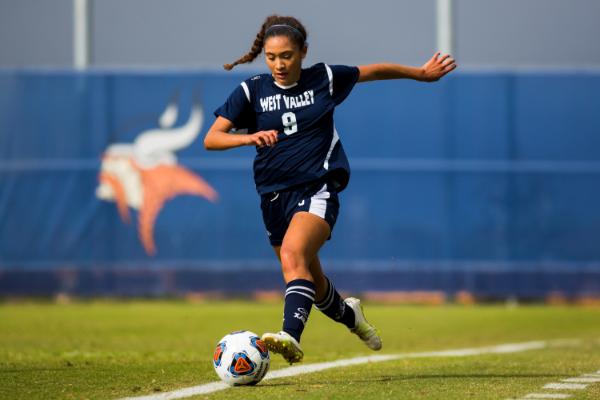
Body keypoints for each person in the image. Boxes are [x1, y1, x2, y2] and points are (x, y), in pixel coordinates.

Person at [205, 15, 456, 364]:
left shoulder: (323, 78)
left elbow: (374, 71)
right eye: (272, 56)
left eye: (287, 56)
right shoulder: (252, 91)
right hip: (273, 197)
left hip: (318, 188)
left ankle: (289, 337)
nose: (279, 64)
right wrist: (249, 137)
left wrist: (419, 73)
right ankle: (352, 317)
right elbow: (211, 138)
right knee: (312, 280)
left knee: (294, 258)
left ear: (303, 52)